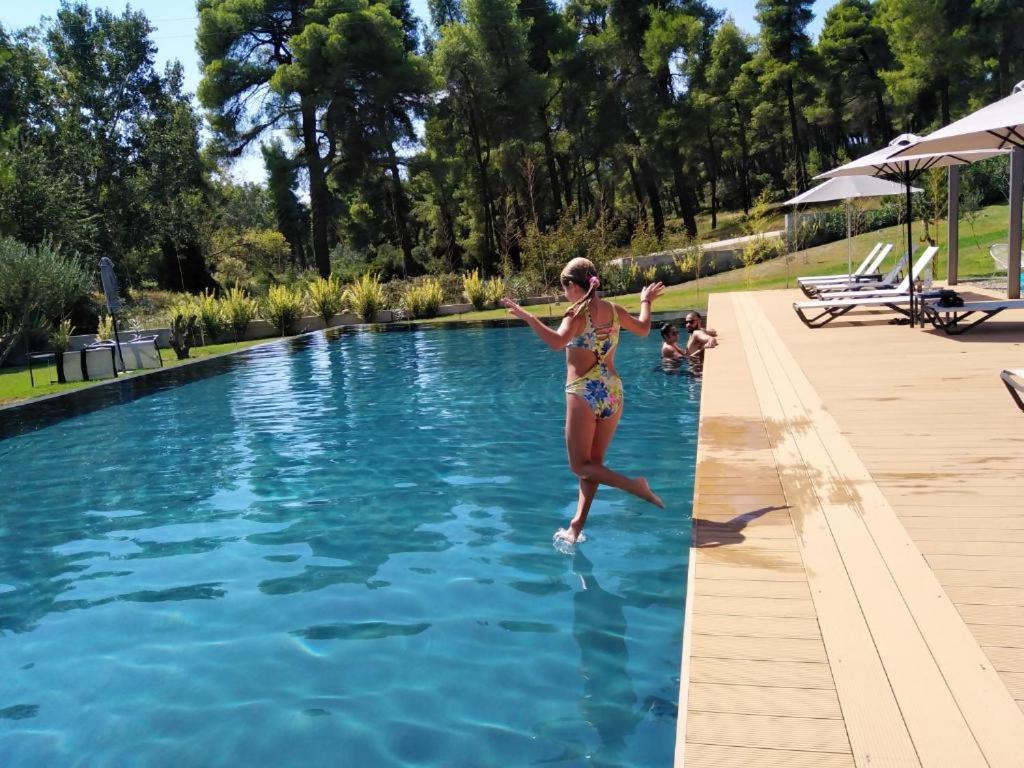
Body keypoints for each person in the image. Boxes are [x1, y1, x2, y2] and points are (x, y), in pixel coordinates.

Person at [500, 257, 665, 546]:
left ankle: (634, 486)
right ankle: (576, 525)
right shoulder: (614, 310)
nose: (565, 294)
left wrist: (528, 317)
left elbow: (556, 342)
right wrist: (645, 301)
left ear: (574, 286)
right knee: (592, 465)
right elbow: (643, 329)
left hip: (584, 391)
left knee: (579, 466)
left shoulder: (575, 314)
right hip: (613, 391)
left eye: (564, 288)